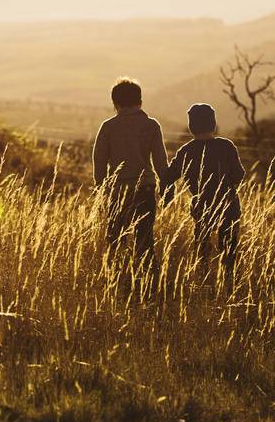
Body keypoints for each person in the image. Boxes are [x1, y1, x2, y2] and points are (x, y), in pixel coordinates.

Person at [92, 77, 168, 290]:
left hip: (118, 192)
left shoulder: (108, 127)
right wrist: (166, 186)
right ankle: (149, 288)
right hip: (145, 190)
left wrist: (101, 189)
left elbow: (99, 161)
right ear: (140, 102)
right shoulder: (152, 126)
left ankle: (116, 285)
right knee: (145, 241)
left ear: (115, 103)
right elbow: (161, 162)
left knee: (115, 241)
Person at [163, 102, 245, 289]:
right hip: (228, 205)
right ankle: (229, 284)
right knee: (229, 248)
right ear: (213, 124)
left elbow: (168, 176)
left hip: (202, 206)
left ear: (191, 127)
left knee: (202, 246)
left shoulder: (186, 151)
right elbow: (239, 175)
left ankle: (203, 283)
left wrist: (166, 195)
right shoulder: (226, 146)